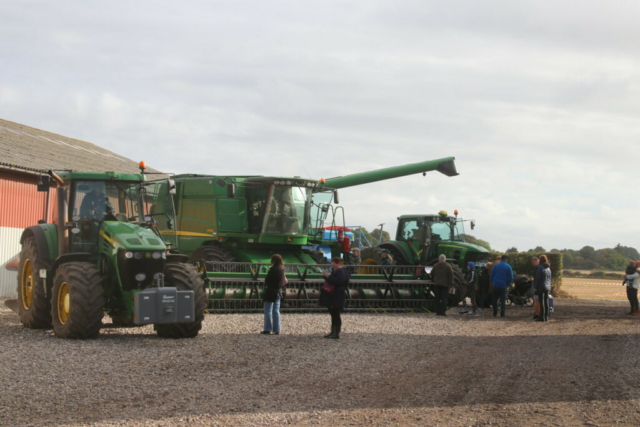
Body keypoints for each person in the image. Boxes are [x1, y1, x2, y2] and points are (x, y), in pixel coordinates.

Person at [319, 257, 350, 339]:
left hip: (337, 295)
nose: (333, 266)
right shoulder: (340, 271)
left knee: (336, 314)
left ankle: (336, 333)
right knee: (333, 314)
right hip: (335, 295)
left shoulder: (342, 272)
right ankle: (333, 331)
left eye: (334, 265)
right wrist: (327, 277)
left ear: (338, 263)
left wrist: (329, 276)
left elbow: (338, 281)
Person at [261, 254, 286, 335]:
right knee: (276, 311)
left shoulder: (273, 270)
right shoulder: (282, 269)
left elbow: (267, 280)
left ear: (273, 261)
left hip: (270, 292)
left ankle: (267, 329)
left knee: (268, 310)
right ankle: (277, 329)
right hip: (278, 291)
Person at [533, 255, 552, 322]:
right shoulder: (548, 268)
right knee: (546, 302)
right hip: (547, 286)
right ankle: (546, 317)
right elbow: (549, 278)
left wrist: (535, 287)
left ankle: (542, 317)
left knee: (541, 302)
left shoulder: (540, 267)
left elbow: (538, 278)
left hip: (541, 286)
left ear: (540, 260)